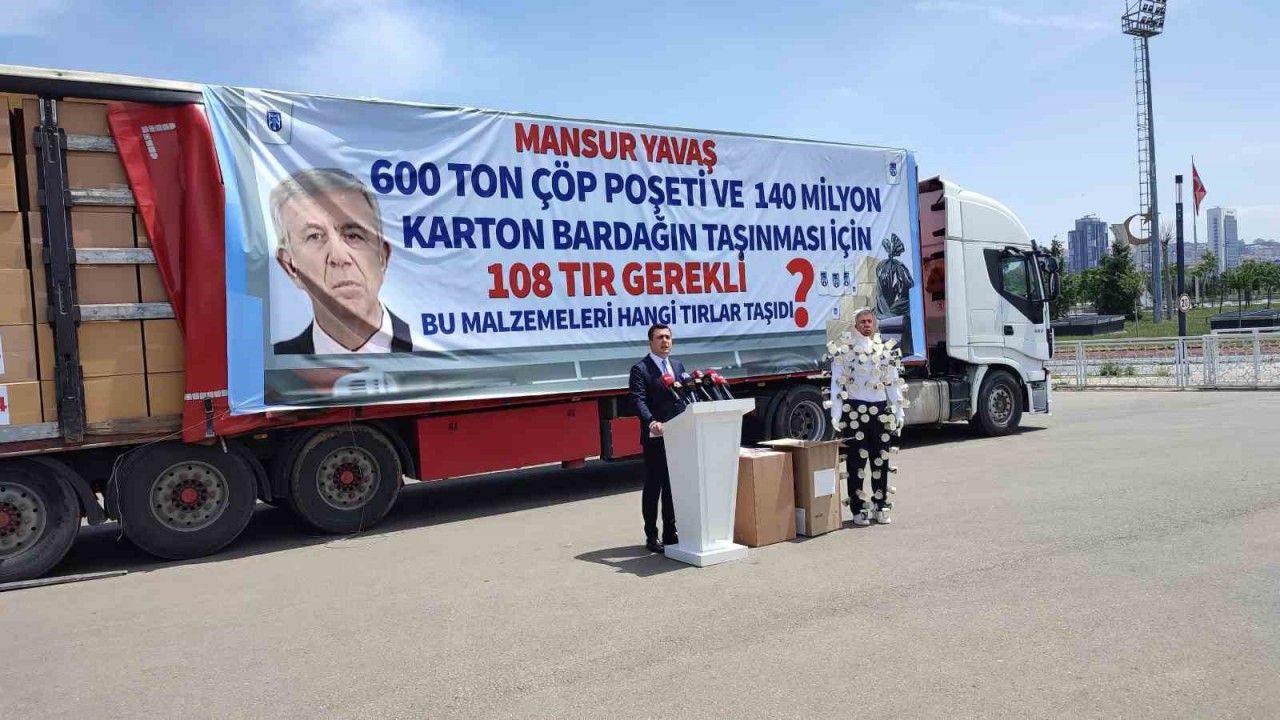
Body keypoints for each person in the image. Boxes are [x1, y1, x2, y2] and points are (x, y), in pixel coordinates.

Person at [270, 168, 414, 355]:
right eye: (315, 236)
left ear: (382, 257)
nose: (339, 257)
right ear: (290, 267)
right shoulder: (267, 364)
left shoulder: (433, 348)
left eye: (353, 235)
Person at [829, 308, 907, 526]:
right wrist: (836, 413)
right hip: (855, 409)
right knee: (856, 461)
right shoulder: (844, 351)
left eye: (869, 321)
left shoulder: (884, 350)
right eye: (862, 321)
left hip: (880, 409)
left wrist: (898, 410)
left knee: (880, 459)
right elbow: (837, 384)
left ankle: (880, 505)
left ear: (874, 324)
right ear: (855, 325)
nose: (866, 325)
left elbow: (892, 382)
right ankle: (858, 508)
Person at [628, 323, 686, 553]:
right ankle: (651, 536)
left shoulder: (677, 366)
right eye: (660, 337)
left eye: (668, 337)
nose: (665, 341)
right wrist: (651, 421)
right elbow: (638, 399)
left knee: (673, 486)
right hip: (655, 435)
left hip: (677, 434)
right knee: (654, 486)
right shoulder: (640, 369)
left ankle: (670, 534)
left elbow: (683, 396)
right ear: (650, 342)